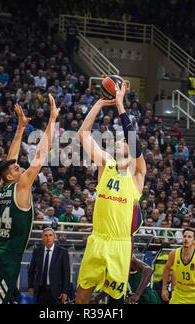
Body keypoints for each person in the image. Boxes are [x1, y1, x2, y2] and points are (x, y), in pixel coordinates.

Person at [0, 96, 60, 304]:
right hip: (7, 259)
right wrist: (52, 120)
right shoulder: (21, 186)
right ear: (12, 177)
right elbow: (40, 155)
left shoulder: (0, 188)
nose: (20, 167)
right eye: (17, 169)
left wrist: (20, 128)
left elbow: (9, 161)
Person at [75, 82, 146, 303]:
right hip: (98, 240)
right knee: (82, 296)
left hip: (119, 244)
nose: (123, 140)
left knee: (116, 300)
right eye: (121, 139)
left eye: (126, 140)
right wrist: (100, 103)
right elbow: (83, 134)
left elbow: (134, 141)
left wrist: (120, 104)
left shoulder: (138, 176)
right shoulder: (106, 163)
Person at [162, 228, 195, 304]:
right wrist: (164, 288)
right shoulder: (174, 253)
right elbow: (166, 268)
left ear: (194, 240)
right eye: (184, 236)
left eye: (189, 237)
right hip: (179, 295)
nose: (186, 239)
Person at [27, 228, 70, 304]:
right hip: (40, 290)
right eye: (46, 235)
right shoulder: (37, 251)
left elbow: (66, 274)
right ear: (42, 238)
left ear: (54, 237)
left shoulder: (62, 252)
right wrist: (30, 286)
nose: (48, 238)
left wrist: (65, 291)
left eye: (50, 235)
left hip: (57, 291)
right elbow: (31, 271)